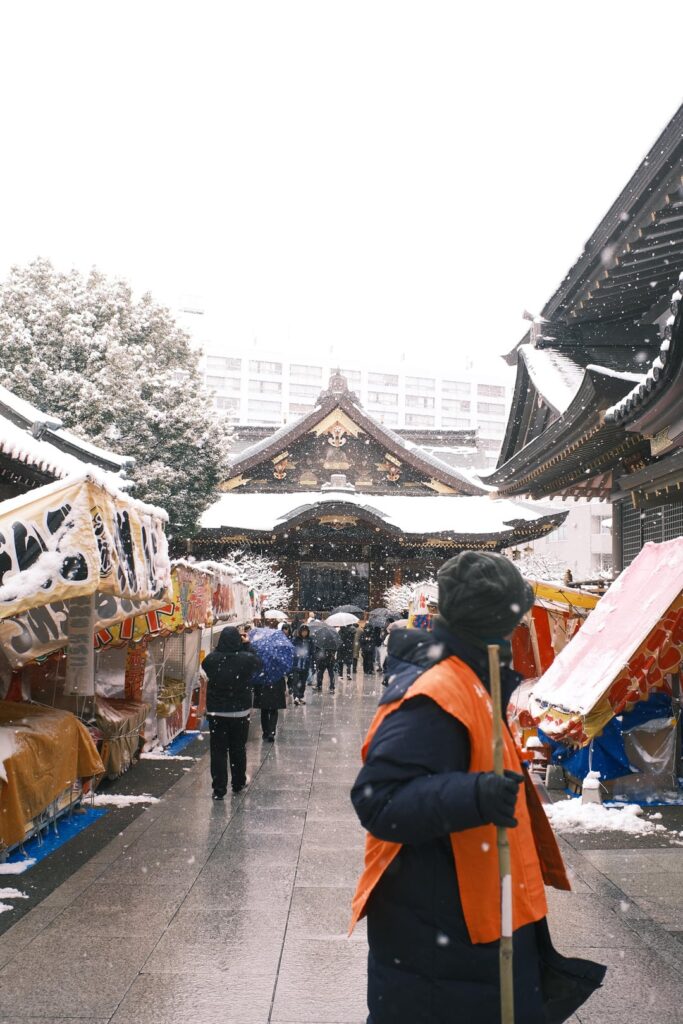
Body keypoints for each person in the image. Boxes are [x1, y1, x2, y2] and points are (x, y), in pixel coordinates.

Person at [350, 551, 605, 1024]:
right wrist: (474, 796)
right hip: (444, 928)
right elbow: (378, 799)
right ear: (499, 617)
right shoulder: (435, 692)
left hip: (471, 917)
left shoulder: (473, 678)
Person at [201, 625, 261, 799]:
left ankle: (219, 789)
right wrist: (246, 645)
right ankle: (238, 782)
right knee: (238, 748)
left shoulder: (211, 660)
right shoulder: (246, 659)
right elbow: (258, 663)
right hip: (240, 712)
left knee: (218, 751)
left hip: (217, 713)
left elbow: (206, 666)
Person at [293, 624, 314, 705]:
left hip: (305, 664)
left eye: (305, 631)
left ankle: (300, 696)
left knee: (303, 683)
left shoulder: (310, 640)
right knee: (295, 682)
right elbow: (293, 649)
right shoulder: (296, 640)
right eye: (303, 631)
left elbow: (312, 651)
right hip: (296, 664)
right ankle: (296, 697)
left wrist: (311, 659)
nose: (304, 633)